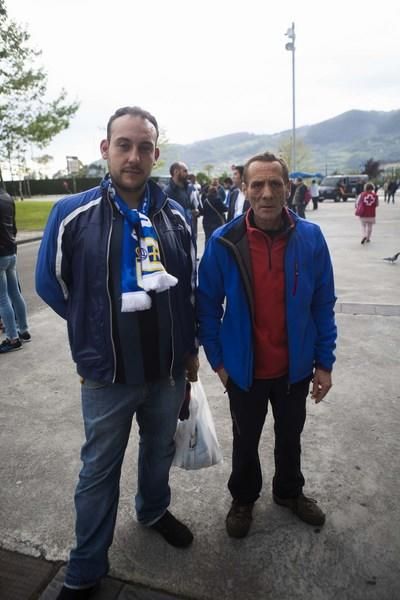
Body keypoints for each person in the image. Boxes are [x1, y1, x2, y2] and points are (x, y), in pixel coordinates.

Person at [35, 106, 199, 599]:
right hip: (107, 375)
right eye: (123, 145)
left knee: (158, 451)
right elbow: (50, 283)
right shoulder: (72, 214)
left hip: (166, 371)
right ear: (105, 149)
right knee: (98, 472)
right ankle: (85, 571)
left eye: (144, 147)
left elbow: (187, 288)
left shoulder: (175, 214)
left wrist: (190, 350)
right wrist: (92, 331)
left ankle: (152, 510)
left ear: (155, 153)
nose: (133, 156)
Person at [197, 151, 337, 539]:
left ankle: (289, 493)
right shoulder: (225, 242)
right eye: (256, 184)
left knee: (290, 437)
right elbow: (206, 306)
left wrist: (324, 363)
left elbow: (323, 303)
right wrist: (219, 363)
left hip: (294, 368)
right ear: (244, 190)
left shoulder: (310, 238)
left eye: (275, 183)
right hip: (243, 371)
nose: (266, 192)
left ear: (288, 188)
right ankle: (243, 498)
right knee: (246, 441)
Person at [0, 185, 31, 354]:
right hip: (11, 250)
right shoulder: (7, 196)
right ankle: (23, 331)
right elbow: (14, 226)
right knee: (15, 294)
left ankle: (12, 338)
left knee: (3, 299)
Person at [200, 179, 227, 244]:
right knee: (216, 238)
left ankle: (207, 252)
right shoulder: (217, 200)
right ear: (216, 192)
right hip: (216, 223)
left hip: (206, 223)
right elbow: (225, 209)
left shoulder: (205, 200)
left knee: (207, 238)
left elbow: (202, 211)